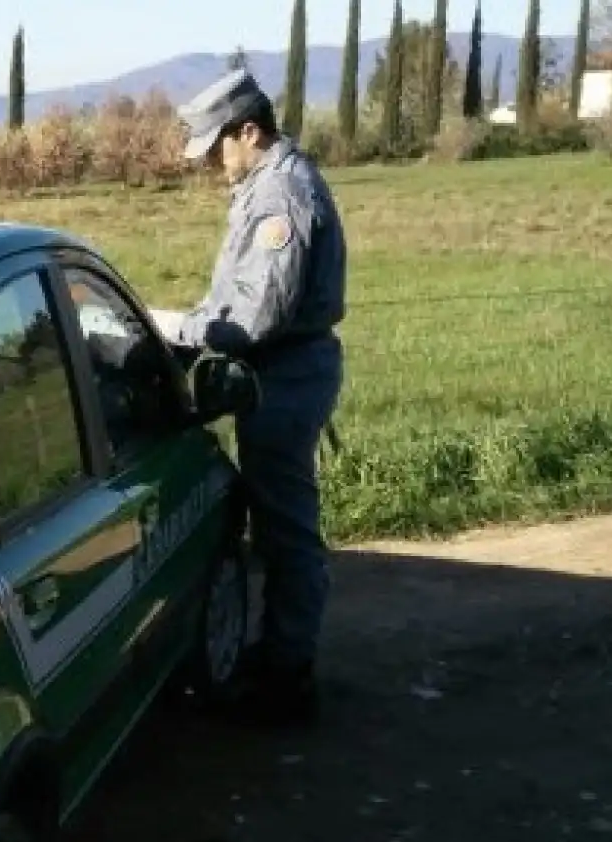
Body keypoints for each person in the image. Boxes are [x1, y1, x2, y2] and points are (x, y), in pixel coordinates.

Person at [171, 69, 347, 724]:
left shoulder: (281, 199)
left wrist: (177, 329)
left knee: (286, 530)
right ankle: (279, 655)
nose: (214, 163)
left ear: (249, 131)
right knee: (277, 521)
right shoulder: (261, 185)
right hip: (279, 373)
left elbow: (253, 318)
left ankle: (287, 678)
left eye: (218, 147)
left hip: (285, 376)